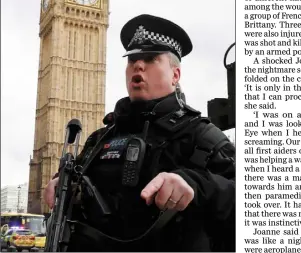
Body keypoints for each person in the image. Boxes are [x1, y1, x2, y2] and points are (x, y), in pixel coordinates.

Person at [44, 14, 235, 252]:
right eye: (132, 59)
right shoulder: (99, 139)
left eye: (151, 58)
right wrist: (61, 183)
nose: (138, 65)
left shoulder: (202, 137)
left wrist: (196, 186)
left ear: (175, 75)